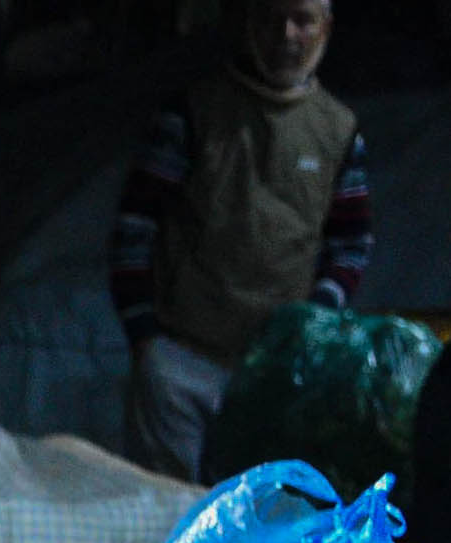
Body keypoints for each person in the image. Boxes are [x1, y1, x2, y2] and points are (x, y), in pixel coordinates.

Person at [108, 0, 374, 483]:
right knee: (169, 514)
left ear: (326, 28)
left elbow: (352, 242)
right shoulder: (193, 113)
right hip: (180, 362)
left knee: (262, 523)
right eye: (272, 19)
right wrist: (145, 337)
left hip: (275, 374)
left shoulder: (338, 130)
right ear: (248, 23)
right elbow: (135, 228)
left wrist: (312, 318)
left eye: (303, 20)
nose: (287, 36)